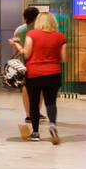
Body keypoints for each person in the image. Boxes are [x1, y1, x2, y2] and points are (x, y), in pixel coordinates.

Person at [20, 12, 67, 143]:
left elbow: (27, 54)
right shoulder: (60, 37)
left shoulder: (32, 35)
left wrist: (18, 46)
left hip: (34, 74)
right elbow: (64, 58)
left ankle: (35, 133)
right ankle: (52, 125)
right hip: (53, 73)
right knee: (51, 102)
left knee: (34, 104)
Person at [9, 6, 40, 123]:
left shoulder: (19, 30)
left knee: (26, 88)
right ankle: (36, 111)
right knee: (40, 89)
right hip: (39, 63)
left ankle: (28, 114)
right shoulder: (41, 29)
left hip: (25, 63)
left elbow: (15, 49)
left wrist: (16, 59)